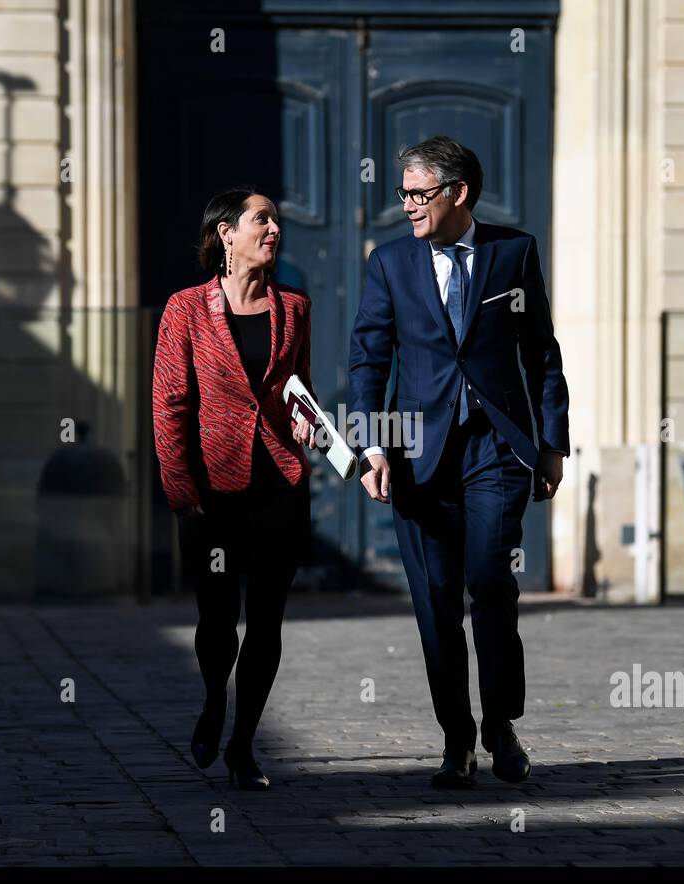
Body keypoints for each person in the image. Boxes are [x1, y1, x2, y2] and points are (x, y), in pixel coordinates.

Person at [348, 136, 569, 788]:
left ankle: (502, 725)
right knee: (435, 601)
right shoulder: (390, 263)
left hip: (495, 449)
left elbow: (542, 354)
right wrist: (372, 445)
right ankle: (457, 738)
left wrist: (551, 443)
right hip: (417, 459)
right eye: (405, 194)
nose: (409, 206)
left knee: (490, 582)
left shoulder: (513, 252)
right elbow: (368, 360)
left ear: (458, 193)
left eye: (420, 194)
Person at [152, 187, 318, 791]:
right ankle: (213, 704)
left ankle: (244, 743)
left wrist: (308, 421)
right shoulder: (185, 310)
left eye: (275, 219)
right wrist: (179, 487)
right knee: (217, 620)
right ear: (226, 234)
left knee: (267, 620)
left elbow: (301, 391)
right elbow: (168, 404)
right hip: (210, 489)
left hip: (278, 483)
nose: (273, 228)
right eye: (260, 219)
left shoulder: (294, 309)